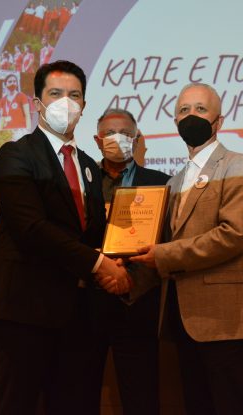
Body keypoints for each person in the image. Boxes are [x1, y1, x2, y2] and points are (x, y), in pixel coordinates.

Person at [0, 60, 132, 415]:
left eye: (74, 95)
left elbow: (91, 233)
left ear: (84, 105)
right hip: (26, 312)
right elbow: (31, 229)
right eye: (56, 94)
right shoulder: (16, 155)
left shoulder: (88, 165)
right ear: (37, 103)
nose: (66, 103)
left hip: (79, 314)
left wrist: (118, 261)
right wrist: (99, 264)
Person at [131, 82, 243, 415]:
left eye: (201, 109)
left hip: (226, 318)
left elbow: (234, 235)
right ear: (175, 122)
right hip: (183, 317)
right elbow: (164, 242)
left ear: (219, 121)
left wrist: (163, 255)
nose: (191, 116)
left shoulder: (238, 164)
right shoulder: (174, 181)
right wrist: (123, 275)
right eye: (184, 110)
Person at [89, 108, 170, 415]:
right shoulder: (81, 182)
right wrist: (102, 272)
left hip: (137, 302)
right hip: (86, 302)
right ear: (97, 141)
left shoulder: (161, 182)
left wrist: (130, 279)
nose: (117, 139)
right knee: (78, 393)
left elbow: (167, 243)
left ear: (136, 139)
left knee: (142, 398)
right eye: (109, 133)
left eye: (125, 133)